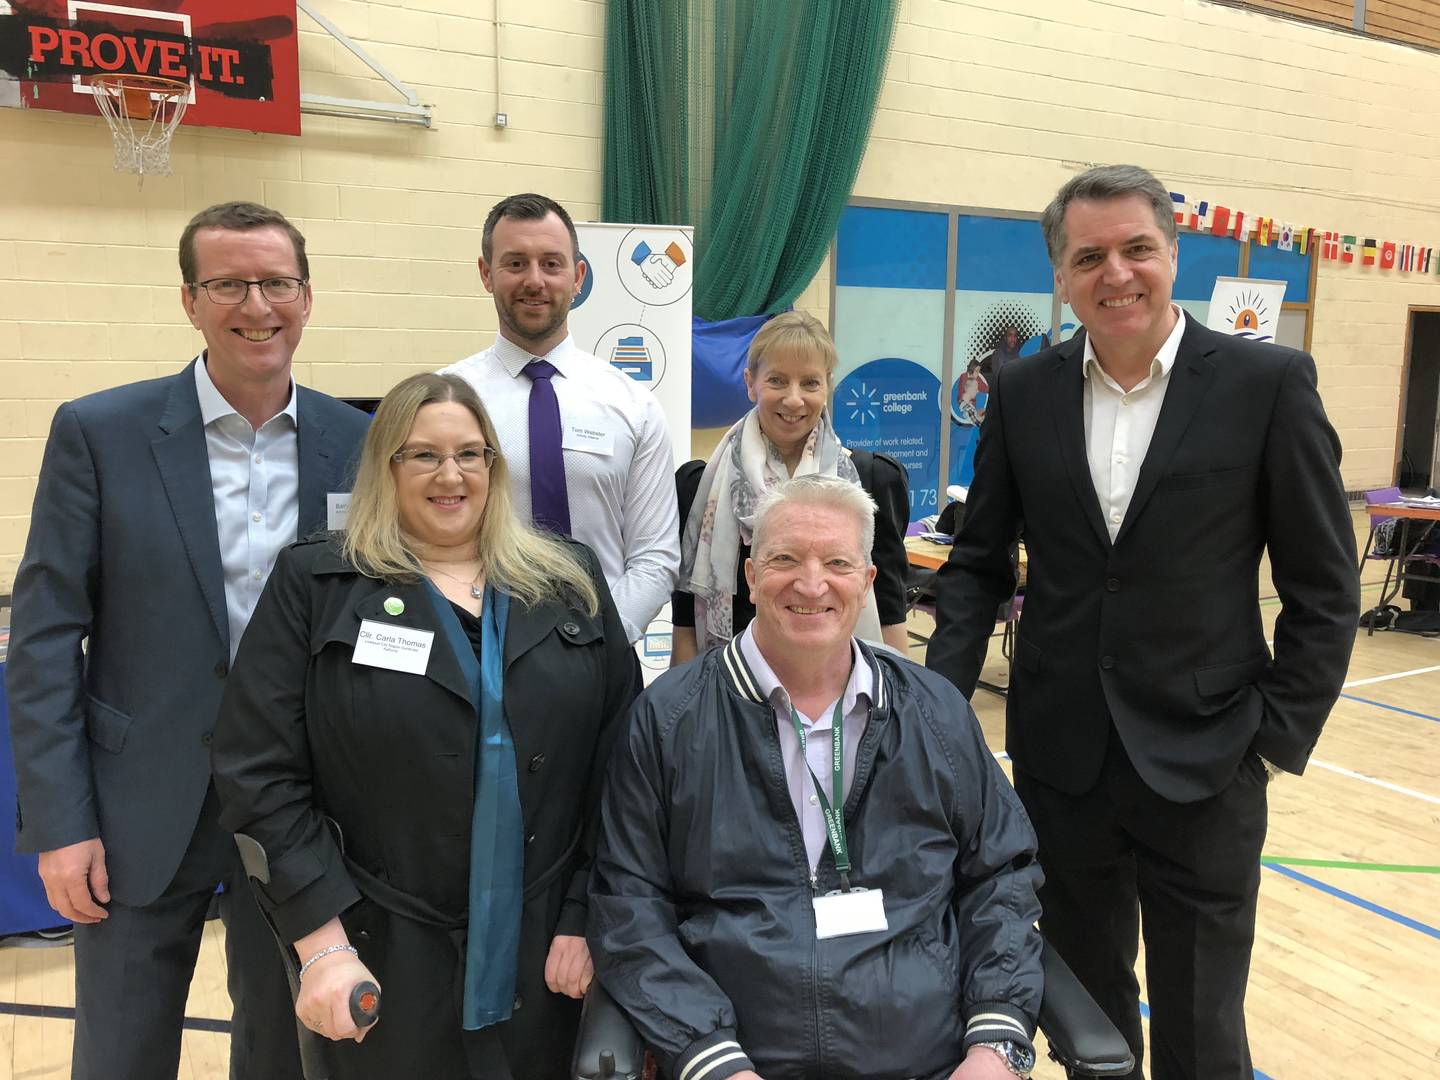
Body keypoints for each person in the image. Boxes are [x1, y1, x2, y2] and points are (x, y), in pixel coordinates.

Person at [925, 165, 1360, 1080]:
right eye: (1089, 257)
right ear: (1061, 274)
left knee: (1204, 1030)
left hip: (1210, 761)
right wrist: (936, 708)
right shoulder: (1024, 391)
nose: (1115, 273)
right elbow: (977, 565)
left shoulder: (1266, 383)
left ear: (1174, 254)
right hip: (1062, 758)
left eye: (1136, 249)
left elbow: (1325, 589)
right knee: (1088, 1014)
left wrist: (1272, 741)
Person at [4, 201, 369, 1079]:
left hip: (296, 800)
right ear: (189, 300)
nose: (257, 304)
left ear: (307, 298)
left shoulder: (357, 444)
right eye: (229, 284)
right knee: (122, 1048)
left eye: (277, 282)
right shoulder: (100, 433)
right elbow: (47, 637)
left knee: (284, 1046)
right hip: (139, 802)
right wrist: (60, 822)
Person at [212, 373, 639, 1079]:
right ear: (388, 467)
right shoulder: (318, 586)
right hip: (376, 950)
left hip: (548, 955)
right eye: (425, 456)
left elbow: (623, 764)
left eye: (471, 455)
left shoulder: (569, 582)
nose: (452, 475)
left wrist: (587, 913)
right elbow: (256, 769)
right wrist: (321, 943)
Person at [590, 474, 1044, 1080]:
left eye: (836, 561)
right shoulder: (668, 721)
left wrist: (995, 1041)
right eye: (784, 559)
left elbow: (1002, 878)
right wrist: (709, 1058)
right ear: (749, 575)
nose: (811, 583)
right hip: (739, 1061)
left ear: (868, 582)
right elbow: (630, 906)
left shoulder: (935, 714)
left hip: (926, 1061)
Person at [442, 192, 679, 649]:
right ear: (486, 274)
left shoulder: (633, 406)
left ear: (578, 277)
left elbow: (655, 555)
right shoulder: (445, 401)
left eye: (552, 264)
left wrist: (600, 642)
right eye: (515, 264)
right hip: (477, 656)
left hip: (605, 656)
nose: (535, 280)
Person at [671, 311, 910, 665]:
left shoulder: (871, 480)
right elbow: (686, 622)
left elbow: (889, 612)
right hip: (731, 689)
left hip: (838, 693)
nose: (794, 399)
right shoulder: (698, 489)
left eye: (810, 383)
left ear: (827, 385)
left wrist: (898, 706)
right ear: (750, 383)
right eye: (778, 381)